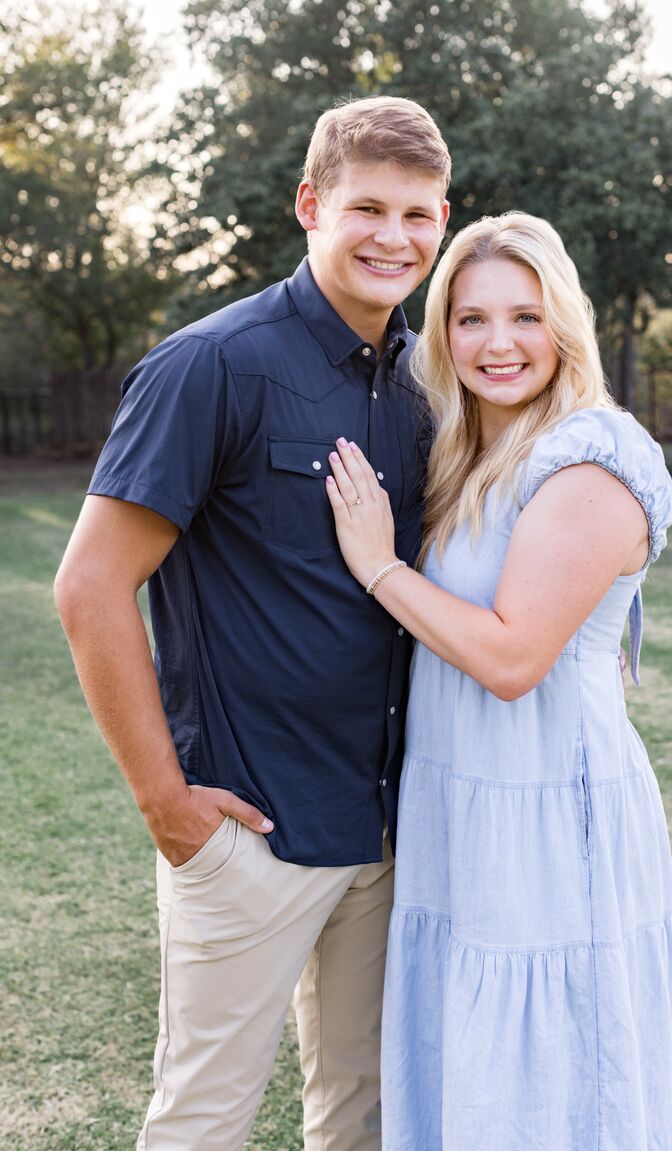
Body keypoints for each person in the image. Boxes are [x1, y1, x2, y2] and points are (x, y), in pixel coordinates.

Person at [54, 95, 450, 1151]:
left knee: (364, 1116)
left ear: (443, 221)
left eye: (418, 215)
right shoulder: (211, 364)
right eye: (368, 207)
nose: (393, 237)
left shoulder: (426, 384)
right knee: (202, 1121)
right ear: (310, 204)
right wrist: (167, 804)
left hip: (390, 832)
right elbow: (91, 587)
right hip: (251, 833)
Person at [324, 212, 672, 1151]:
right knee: (474, 1065)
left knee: (550, 1071)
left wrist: (379, 566)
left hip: (545, 810)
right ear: (441, 332)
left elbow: (512, 658)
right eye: (471, 318)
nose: (498, 344)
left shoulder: (590, 454)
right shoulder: (467, 452)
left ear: (564, 323)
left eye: (525, 317)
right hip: (463, 803)